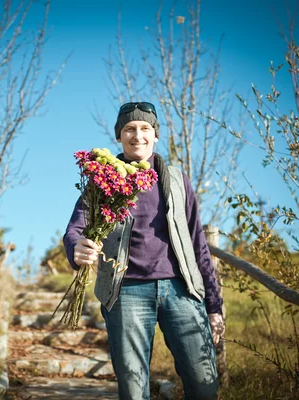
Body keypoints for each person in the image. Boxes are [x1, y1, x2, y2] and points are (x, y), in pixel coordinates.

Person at [63, 101, 224, 400]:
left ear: (155, 134)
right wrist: (77, 249)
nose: (138, 135)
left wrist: (213, 306)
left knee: (204, 384)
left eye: (145, 128)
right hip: (126, 293)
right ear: (119, 136)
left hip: (181, 290)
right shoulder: (103, 179)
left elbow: (197, 243)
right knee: (134, 389)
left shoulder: (177, 179)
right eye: (129, 129)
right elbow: (75, 229)